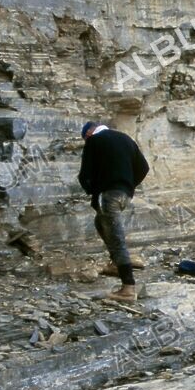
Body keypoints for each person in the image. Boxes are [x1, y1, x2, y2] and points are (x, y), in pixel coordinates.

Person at [78, 122, 150, 302]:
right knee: (100, 223)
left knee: (115, 235)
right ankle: (115, 264)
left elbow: (85, 174)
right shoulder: (125, 138)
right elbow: (143, 168)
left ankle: (128, 288)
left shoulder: (94, 141)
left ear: (88, 133)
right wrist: (127, 186)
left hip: (108, 194)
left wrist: (93, 190)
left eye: (85, 138)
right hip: (124, 195)